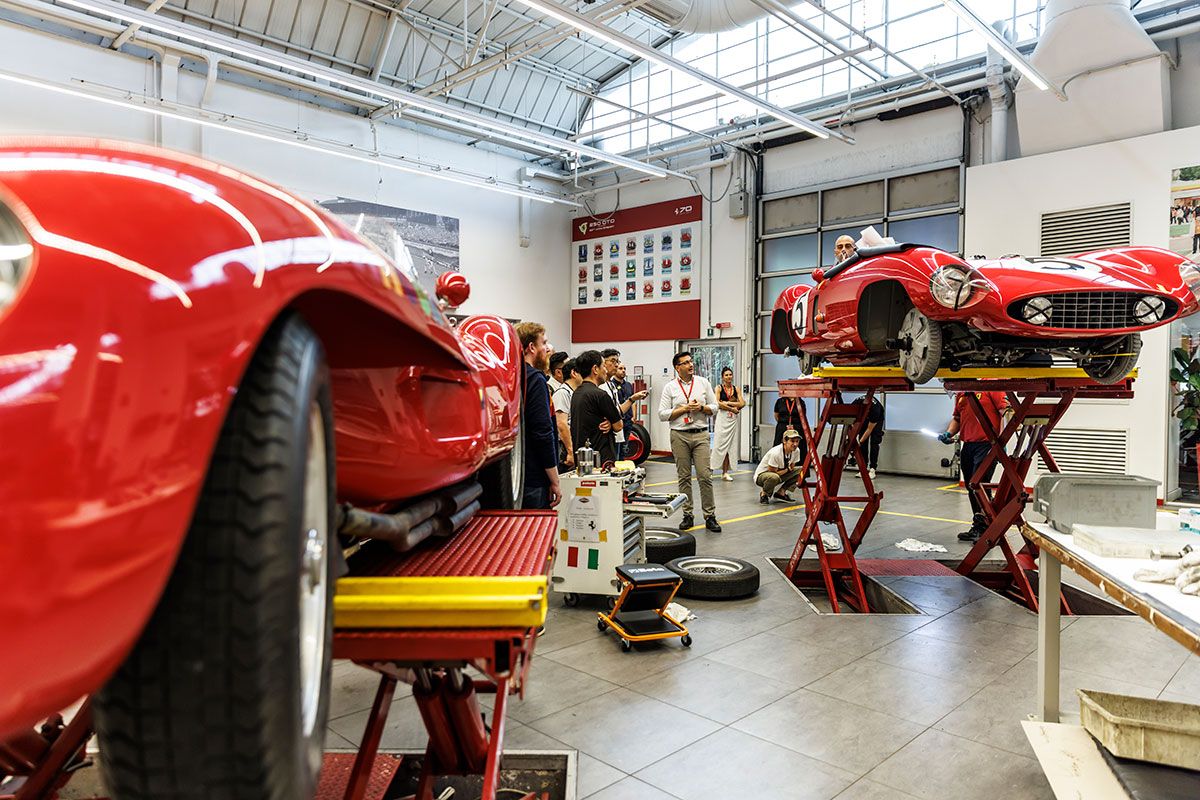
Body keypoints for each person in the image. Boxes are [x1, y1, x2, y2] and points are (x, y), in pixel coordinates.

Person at [658, 351, 722, 532]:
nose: (691, 365)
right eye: (685, 363)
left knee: (705, 476)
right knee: (684, 477)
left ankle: (710, 516)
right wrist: (684, 409)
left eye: (691, 361)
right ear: (677, 367)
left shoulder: (703, 382)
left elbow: (715, 407)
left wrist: (701, 407)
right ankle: (687, 515)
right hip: (679, 435)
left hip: (701, 434)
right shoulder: (670, 387)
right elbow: (662, 414)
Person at [939, 390, 1008, 542]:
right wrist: (948, 433)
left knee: (979, 485)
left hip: (987, 444)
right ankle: (979, 525)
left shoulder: (991, 386)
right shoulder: (962, 393)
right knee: (972, 486)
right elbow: (957, 418)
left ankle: (987, 528)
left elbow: (1006, 412)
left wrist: (1002, 440)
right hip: (968, 446)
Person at [514, 322, 561, 510]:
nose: (547, 348)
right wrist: (555, 480)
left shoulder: (512, 377)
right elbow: (542, 432)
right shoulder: (535, 379)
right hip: (534, 478)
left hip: (515, 477)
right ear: (531, 347)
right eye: (544, 343)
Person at [570, 350, 622, 465]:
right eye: (603, 366)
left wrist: (610, 423)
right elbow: (618, 426)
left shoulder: (576, 393)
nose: (605, 370)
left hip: (583, 458)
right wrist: (612, 423)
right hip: (601, 459)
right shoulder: (600, 395)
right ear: (595, 369)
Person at [600, 349, 647, 459]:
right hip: (606, 434)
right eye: (613, 361)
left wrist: (633, 399)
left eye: (618, 362)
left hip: (620, 427)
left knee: (621, 456)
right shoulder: (599, 386)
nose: (616, 365)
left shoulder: (612, 385)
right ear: (602, 363)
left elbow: (617, 410)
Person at [710, 366, 745, 481]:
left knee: (730, 446)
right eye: (726, 375)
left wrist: (727, 403)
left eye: (730, 374)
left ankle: (725, 473)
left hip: (733, 420)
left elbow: (742, 403)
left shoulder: (736, 388)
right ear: (722, 377)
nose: (729, 377)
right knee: (718, 445)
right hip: (722, 419)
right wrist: (731, 408)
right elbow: (717, 403)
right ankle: (710, 470)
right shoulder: (719, 388)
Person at [754, 429, 804, 504]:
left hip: (779, 473)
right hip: (763, 476)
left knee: (802, 470)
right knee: (774, 477)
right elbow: (772, 472)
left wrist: (787, 470)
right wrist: (787, 470)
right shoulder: (776, 453)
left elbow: (792, 467)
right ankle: (764, 494)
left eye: (797, 441)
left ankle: (781, 492)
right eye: (792, 441)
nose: (795, 444)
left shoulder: (796, 451)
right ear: (784, 441)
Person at [553, 358, 581, 472]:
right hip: (564, 448)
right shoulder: (562, 393)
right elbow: (561, 424)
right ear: (574, 373)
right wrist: (570, 451)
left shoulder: (574, 393)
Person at [849, 394, 885, 479]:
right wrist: (853, 439)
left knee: (874, 442)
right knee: (863, 443)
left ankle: (872, 469)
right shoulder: (854, 405)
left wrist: (859, 442)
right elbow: (851, 423)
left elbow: (869, 429)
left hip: (877, 420)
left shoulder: (875, 410)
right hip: (864, 418)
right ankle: (863, 469)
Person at [613, 361, 644, 459]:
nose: (623, 371)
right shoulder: (611, 385)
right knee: (616, 450)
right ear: (615, 370)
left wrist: (634, 416)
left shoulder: (628, 385)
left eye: (624, 369)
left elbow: (632, 401)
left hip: (628, 421)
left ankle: (622, 463)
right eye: (620, 368)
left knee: (624, 449)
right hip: (617, 422)